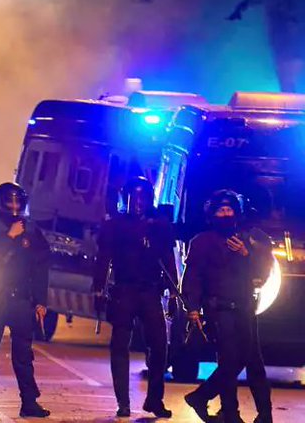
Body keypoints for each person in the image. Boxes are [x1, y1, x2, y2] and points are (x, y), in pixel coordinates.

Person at [182, 190, 274, 423]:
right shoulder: (201, 242)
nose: (225, 213)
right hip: (219, 309)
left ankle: (264, 415)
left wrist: (246, 253)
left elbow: (263, 273)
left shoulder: (249, 239)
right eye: (220, 210)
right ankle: (230, 413)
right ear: (212, 213)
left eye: (229, 209)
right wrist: (192, 307)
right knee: (229, 361)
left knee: (254, 362)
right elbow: (193, 276)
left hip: (245, 307)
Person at [92, 177, 175, 418]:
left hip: (149, 289)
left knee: (159, 345)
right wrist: (98, 288)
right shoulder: (114, 225)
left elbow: (168, 259)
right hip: (124, 289)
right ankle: (123, 402)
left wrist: (171, 291)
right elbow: (103, 259)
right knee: (119, 345)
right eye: (133, 197)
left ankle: (154, 399)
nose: (138, 203)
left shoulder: (159, 224)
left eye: (143, 197)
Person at [0, 182, 52, 418]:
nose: (14, 206)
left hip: (21, 300)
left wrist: (40, 301)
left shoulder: (31, 230)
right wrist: (9, 237)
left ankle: (29, 402)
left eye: (18, 201)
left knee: (24, 355)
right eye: (10, 201)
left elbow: (40, 267)